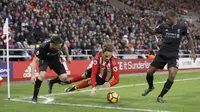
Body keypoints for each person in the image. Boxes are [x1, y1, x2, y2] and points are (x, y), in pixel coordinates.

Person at [140, 10, 196, 103]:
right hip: (162, 54)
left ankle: (160, 96)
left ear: (174, 18)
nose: (166, 20)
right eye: (165, 19)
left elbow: (189, 38)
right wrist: (145, 25)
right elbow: (152, 32)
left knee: (172, 75)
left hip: (173, 55)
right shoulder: (163, 26)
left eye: (168, 19)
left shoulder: (182, 26)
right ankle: (150, 87)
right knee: (149, 72)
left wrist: (193, 52)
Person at [30, 35, 71, 104]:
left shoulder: (60, 43)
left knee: (64, 77)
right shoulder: (43, 47)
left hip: (54, 58)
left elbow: (65, 46)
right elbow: (34, 61)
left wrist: (68, 57)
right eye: (58, 45)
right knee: (42, 76)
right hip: (44, 59)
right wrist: (32, 75)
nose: (59, 46)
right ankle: (34, 97)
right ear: (52, 44)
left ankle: (51, 82)